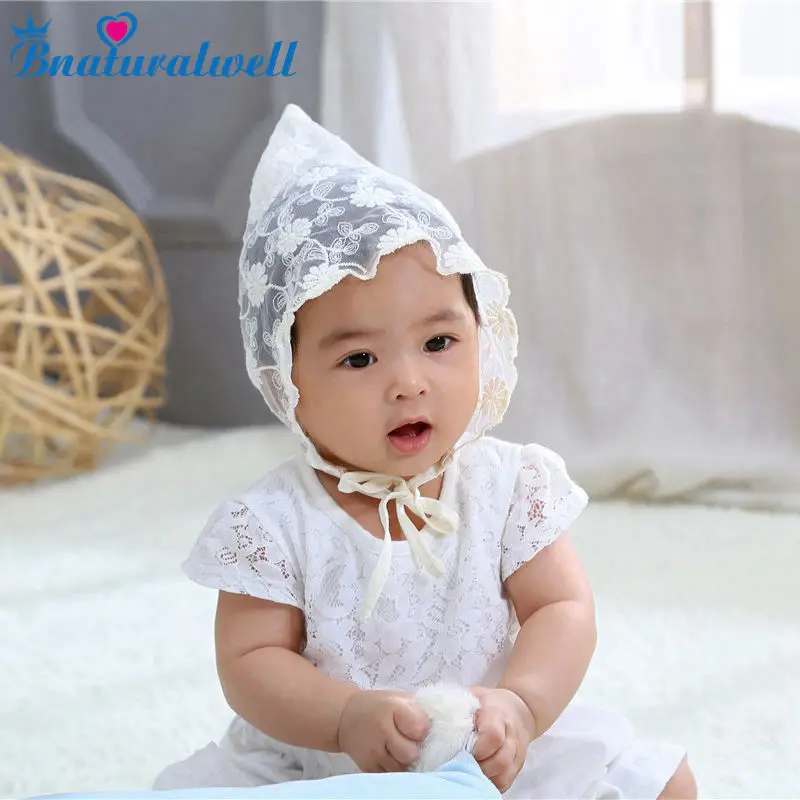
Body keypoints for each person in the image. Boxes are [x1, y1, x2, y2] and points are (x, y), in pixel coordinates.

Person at [153, 104, 696, 799]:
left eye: (439, 343)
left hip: (493, 745)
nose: (409, 383)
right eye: (359, 359)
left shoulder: (508, 485)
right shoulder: (273, 524)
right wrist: (344, 717)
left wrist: (523, 705)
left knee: (664, 782)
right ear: (287, 382)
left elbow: (561, 607)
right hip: (327, 767)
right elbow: (250, 661)